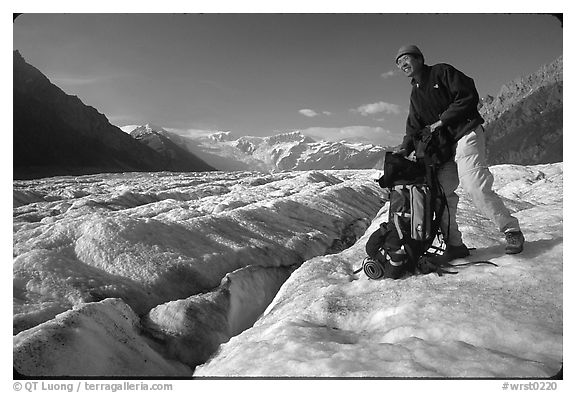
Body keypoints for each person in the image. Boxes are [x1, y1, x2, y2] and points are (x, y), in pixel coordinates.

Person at [393, 44, 525, 258]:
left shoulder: (442, 72)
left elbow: (468, 95)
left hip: (466, 133)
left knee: (474, 185)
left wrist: (440, 122)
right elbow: (413, 127)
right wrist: (404, 148)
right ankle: (455, 245)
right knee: (438, 194)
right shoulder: (415, 93)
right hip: (444, 149)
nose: (402, 65)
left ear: (419, 58)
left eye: (405, 59)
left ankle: (511, 230)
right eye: (398, 63)